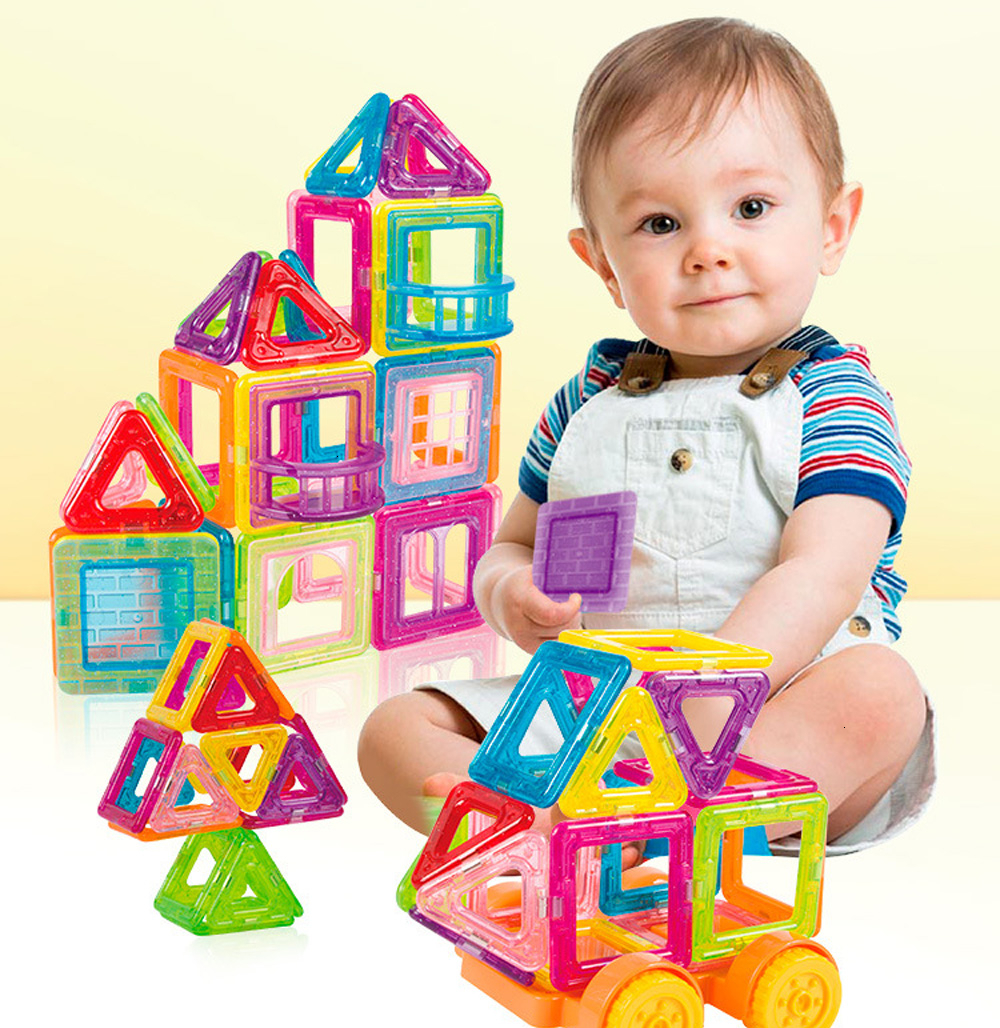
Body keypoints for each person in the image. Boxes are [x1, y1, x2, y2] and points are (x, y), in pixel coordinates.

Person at [358, 17, 933, 859]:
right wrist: (511, 594)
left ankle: (652, 827)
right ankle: (548, 832)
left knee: (880, 692)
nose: (707, 250)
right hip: (603, 717)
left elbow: (825, 571)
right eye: (661, 224)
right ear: (601, 263)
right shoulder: (588, 402)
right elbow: (511, 545)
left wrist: (711, 699)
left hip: (775, 718)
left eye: (751, 208)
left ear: (832, 227)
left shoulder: (832, 397)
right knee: (394, 729)